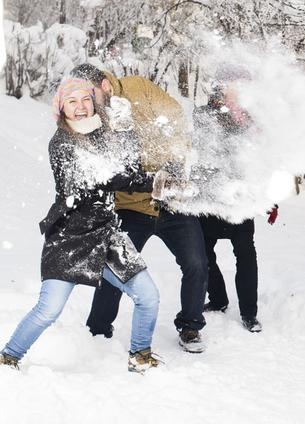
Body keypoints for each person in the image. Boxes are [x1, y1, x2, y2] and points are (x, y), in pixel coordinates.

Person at [0, 78, 160, 373]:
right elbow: (96, 179)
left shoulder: (106, 133)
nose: (81, 107)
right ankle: (8, 356)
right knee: (48, 310)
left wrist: (128, 135)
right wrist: (144, 179)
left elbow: (131, 170)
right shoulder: (60, 143)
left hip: (106, 234)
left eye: (86, 99)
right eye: (72, 102)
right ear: (61, 108)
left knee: (148, 296)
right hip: (69, 239)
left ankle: (140, 354)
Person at [70, 63, 209, 353]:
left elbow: (174, 117)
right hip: (131, 206)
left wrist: (172, 157)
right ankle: (97, 330)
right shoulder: (93, 120)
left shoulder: (138, 87)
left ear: (104, 83)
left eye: (90, 93)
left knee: (196, 262)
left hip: (172, 202)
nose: (87, 102)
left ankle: (190, 326)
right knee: (115, 268)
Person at [192, 67, 273, 333]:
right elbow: (201, 153)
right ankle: (218, 298)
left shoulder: (254, 120)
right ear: (221, 88)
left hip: (241, 199)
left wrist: (268, 195)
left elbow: (263, 161)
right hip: (211, 197)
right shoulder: (203, 115)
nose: (238, 91)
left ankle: (249, 313)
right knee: (204, 254)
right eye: (232, 86)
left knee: (245, 254)